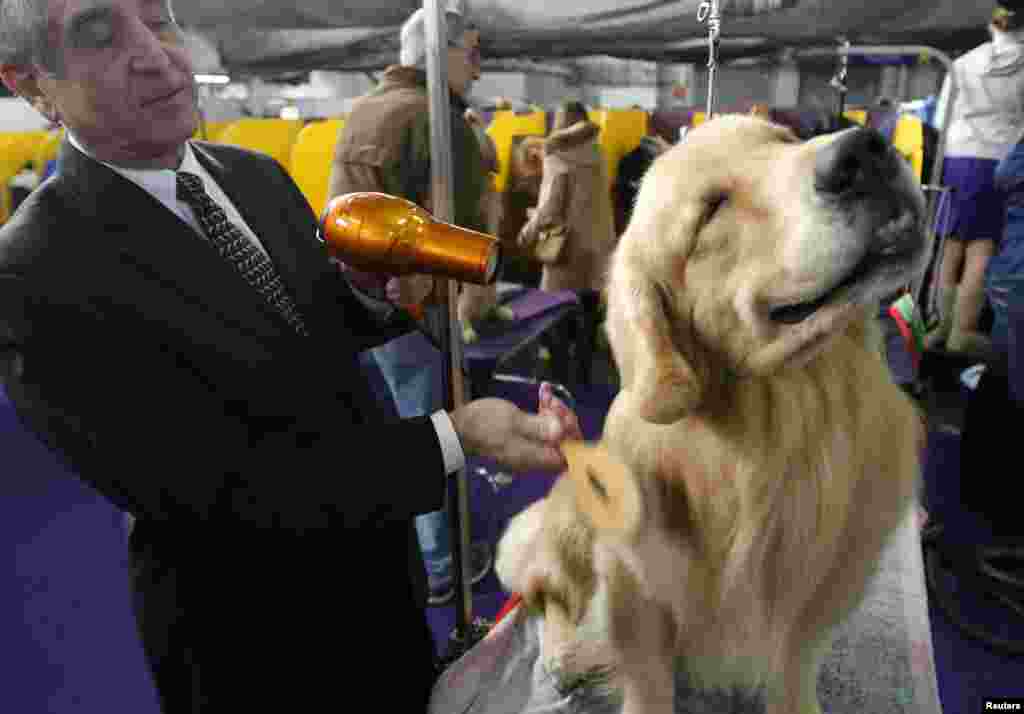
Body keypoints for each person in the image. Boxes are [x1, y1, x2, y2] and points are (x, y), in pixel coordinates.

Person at [0, 0, 575, 711]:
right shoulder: (36, 270)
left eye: (159, 18)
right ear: (30, 85)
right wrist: (455, 438)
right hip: (252, 640)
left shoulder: (251, 176)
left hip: (372, 577)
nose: (153, 52)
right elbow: (227, 487)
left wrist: (366, 296)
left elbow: (304, 333)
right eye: (97, 33)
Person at [327, 5, 494, 607]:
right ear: (439, 52)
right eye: (470, 54)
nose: (476, 70)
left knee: (402, 434)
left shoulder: (368, 110)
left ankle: (428, 557)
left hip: (360, 305)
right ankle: (444, 564)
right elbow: (466, 227)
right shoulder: (436, 121)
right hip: (417, 302)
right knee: (437, 436)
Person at [928, 0, 1024, 356]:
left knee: (949, 248)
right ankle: (963, 333)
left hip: (955, 158)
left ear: (993, 25)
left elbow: (940, 119)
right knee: (982, 250)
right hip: (998, 159)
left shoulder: (963, 62)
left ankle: (938, 326)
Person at [518, 100, 617, 387]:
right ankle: (584, 376)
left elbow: (551, 208)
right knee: (587, 313)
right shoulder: (597, 152)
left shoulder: (556, 153)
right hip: (597, 247)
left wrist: (528, 230)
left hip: (565, 249)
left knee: (556, 314)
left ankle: (561, 381)